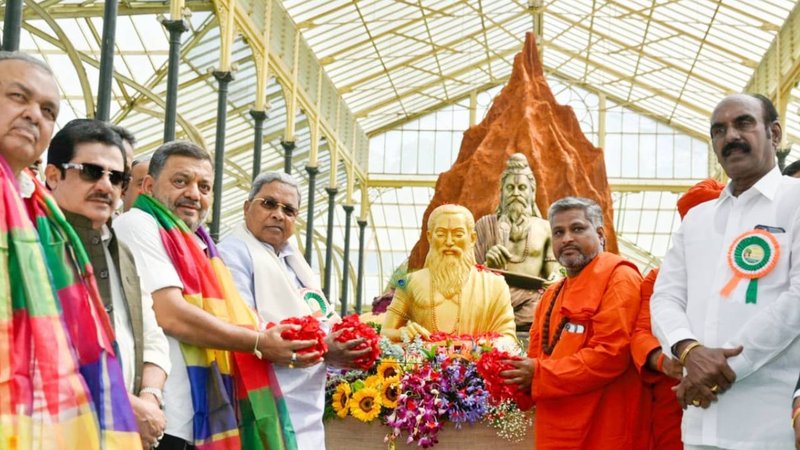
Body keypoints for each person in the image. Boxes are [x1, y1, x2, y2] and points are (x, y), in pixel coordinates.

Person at [115, 141, 316, 450]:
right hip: (157, 415)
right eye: (180, 181)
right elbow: (171, 314)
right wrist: (260, 342)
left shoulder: (200, 245)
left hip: (196, 416)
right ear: (149, 186)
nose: (194, 194)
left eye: (204, 186)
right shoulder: (138, 223)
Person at [0, 51, 140, 448]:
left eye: (47, 109)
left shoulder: (39, 214)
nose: (33, 115)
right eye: (18, 97)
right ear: (55, 174)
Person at [651, 94, 800, 450]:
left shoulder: (795, 200)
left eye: (743, 123)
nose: (730, 135)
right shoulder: (698, 219)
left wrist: (716, 370)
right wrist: (688, 350)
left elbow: (796, 301)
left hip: (769, 424)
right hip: (700, 422)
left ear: (774, 133)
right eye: (719, 130)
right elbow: (666, 296)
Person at [218, 171, 371, 448]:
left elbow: (320, 315)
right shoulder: (232, 252)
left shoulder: (293, 258)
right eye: (269, 204)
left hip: (307, 401)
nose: (278, 214)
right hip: (264, 396)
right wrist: (325, 348)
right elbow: (242, 326)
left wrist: (345, 344)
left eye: (289, 210)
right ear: (246, 206)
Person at [45, 119, 171, 449]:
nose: (105, 186)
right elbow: (45, 351)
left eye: (116, 178)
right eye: (90, 171)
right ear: (53, 175)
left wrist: (150, 398)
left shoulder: (121, 250)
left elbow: (151, 334)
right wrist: (129, 408)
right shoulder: (32, 243)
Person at [500, 196, 643, 450]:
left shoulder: (620, 277)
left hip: (604, 427)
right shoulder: (551, 294)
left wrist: (538, 374)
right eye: (558, 232)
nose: (566, 238)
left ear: (600, 234)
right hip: (554, 428)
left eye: (577, 229)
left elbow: (611, 355)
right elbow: (536, 356)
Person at [632, 179, 726, 450]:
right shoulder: (658, 278)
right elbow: (640, 333)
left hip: (735, 391)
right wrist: (662, 361)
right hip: (673, 398)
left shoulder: (749, 270)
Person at [381, 203, 516, 342]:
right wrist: (403, 333)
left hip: (476, 361)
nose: (449, 242)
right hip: (421, 361)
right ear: (429, 237)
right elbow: (384, 334)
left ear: (472, 238)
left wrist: (477, 349)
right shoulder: (407, 282)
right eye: (441, 234)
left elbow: (509, 338)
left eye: (458, 234)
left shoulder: (494, 285)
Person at [474, 153, 560, 330]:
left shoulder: (545, 228)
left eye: (522, 188)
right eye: (510, 188)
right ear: (502, 192)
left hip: (532, 301)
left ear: (531, 192)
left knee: (544, 308)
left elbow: (553, 274)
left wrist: (555, 278)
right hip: (493, 297)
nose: (516, 193)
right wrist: (486, 264)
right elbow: (468, 275)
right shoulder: (485, 225)